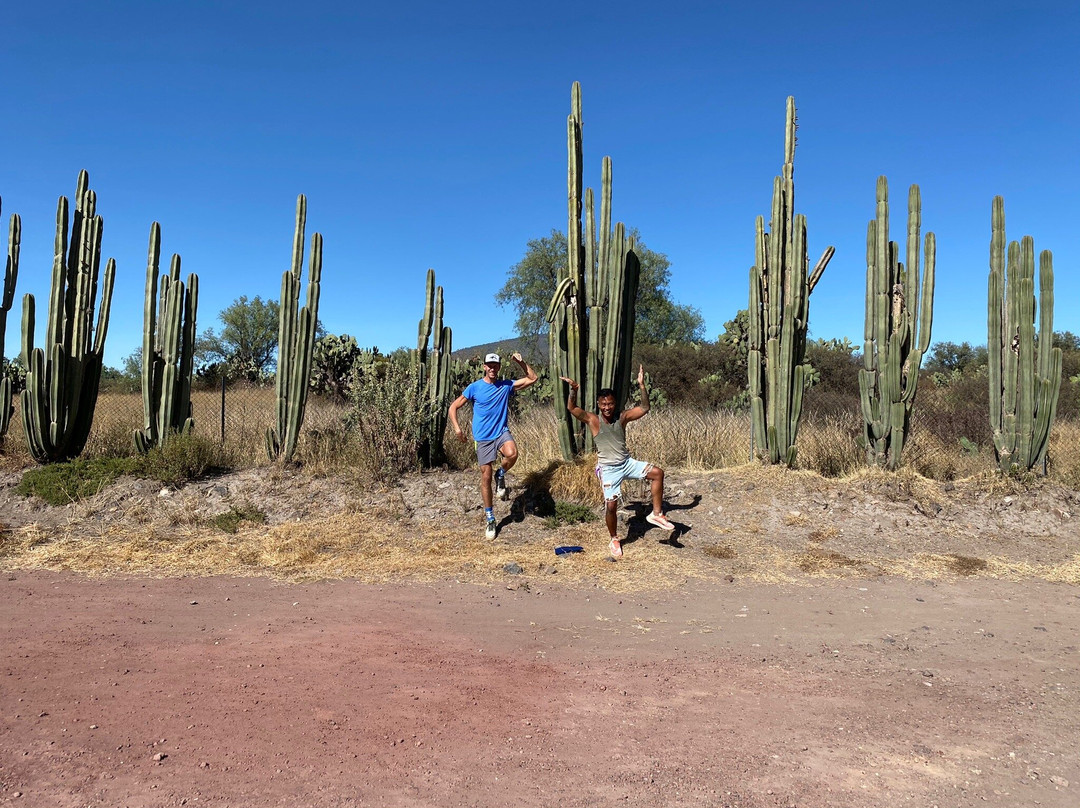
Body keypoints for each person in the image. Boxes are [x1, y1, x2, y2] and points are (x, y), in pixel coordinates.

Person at [559, 366, 675, 558]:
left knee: (657, 473)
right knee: (611, 506)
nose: (607, 407)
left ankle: (656, 514)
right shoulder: (593, 420)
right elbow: (571, 408)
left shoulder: (622, 417)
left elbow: (645, 408)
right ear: (598, 403)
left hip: (626, 463)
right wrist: (574, 390)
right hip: (609, 469)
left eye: (610, 404)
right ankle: (614, 538)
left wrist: (642, 385)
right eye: (603, 404)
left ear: (615, 403)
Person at [449, 351, 538, 539]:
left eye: (495, 365)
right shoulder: (474, 388)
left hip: (501, 432)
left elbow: (533, 378)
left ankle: (501, 474)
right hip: (482, 438)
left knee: (512, 454)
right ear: (484, 367)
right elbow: (453, 407)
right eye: (489, 365)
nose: (492, 368)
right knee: (485, 476)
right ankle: (490, 517)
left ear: (499, 367)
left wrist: (521, 363)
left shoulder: (506, 386)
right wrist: (457, 429)